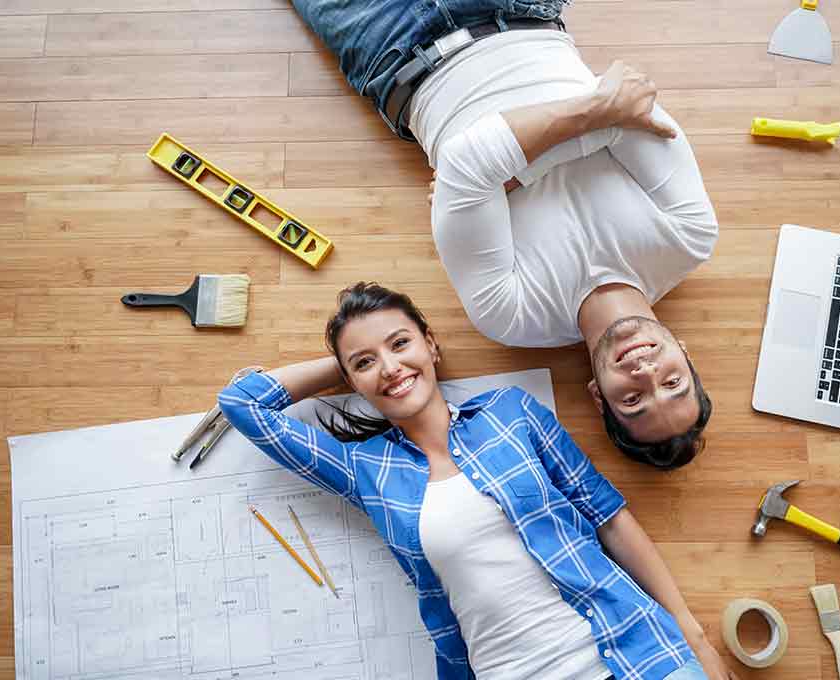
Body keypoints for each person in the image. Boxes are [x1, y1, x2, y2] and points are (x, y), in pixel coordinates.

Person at [218, 282, 737, 680]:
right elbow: (244, 404)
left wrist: (693, 636)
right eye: (366, 362)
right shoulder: (366, 471)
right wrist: (347, 368)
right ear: (350, 380)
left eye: (401, 343)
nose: (391, 366)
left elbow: (611, 519)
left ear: (431, 345)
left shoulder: (511, 413)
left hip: (639, 654)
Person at [290, 0, 719, 469]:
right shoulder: (689, 238)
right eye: (673, 382)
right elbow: (631, 109)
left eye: (633, 400)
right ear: (687, 354)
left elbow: (611, 115)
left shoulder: (512, 319)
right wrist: (499, 183)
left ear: (599, 396)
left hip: (389, 48)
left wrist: (596, 115)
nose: (646, 374)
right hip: (519, 10)